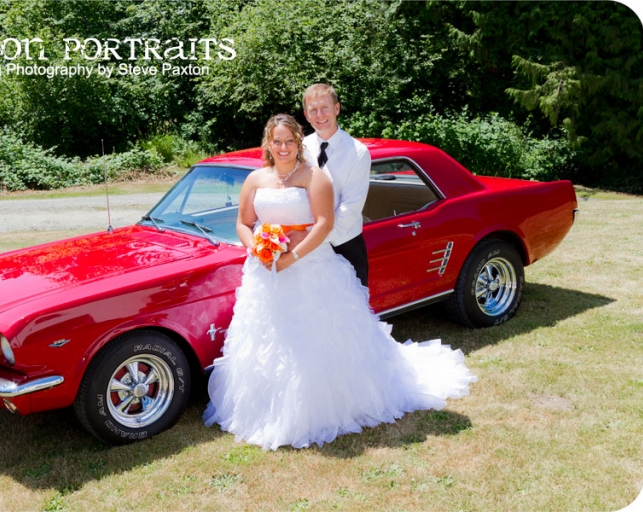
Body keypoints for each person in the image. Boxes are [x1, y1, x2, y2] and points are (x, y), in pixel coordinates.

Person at [203, 114, 476, 451]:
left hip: (311, 269)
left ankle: (319, 410)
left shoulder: (313, 176)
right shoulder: (256, 179)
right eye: (277, 141)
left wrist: (293, 257)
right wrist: (257, 248)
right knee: (270, 337)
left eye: (289, 140)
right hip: (265, 273)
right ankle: (267, 411)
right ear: (268, 144)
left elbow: (323, 223)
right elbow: (244, 223)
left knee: (318, 339)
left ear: (298, 142)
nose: (283, 147)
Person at [301, 83, 371, 288]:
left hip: (344, 245)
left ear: (337, 109)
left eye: (325, 108)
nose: (319, 114)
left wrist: (313, 239)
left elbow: (351, 207)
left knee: (348, 312)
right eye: (313, 110)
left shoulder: (357, 152)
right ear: (306, 115)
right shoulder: (301, 148)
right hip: (307, 248)